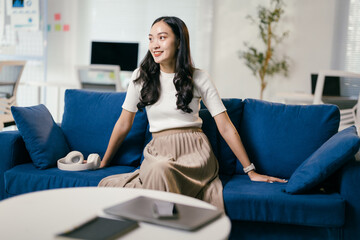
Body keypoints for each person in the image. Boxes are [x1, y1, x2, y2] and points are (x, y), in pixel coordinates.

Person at [98, 16, 287, 210]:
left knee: (160, 170)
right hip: (157, 152)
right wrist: (105, 161)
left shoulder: (199, 77)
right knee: (156, 169)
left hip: (194, 153)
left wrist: (251, 171)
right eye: (151, 38)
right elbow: (123, 123)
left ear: (179, 41)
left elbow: (225, 127)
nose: (154, 45)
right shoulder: (141, 77)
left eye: (162, 37)